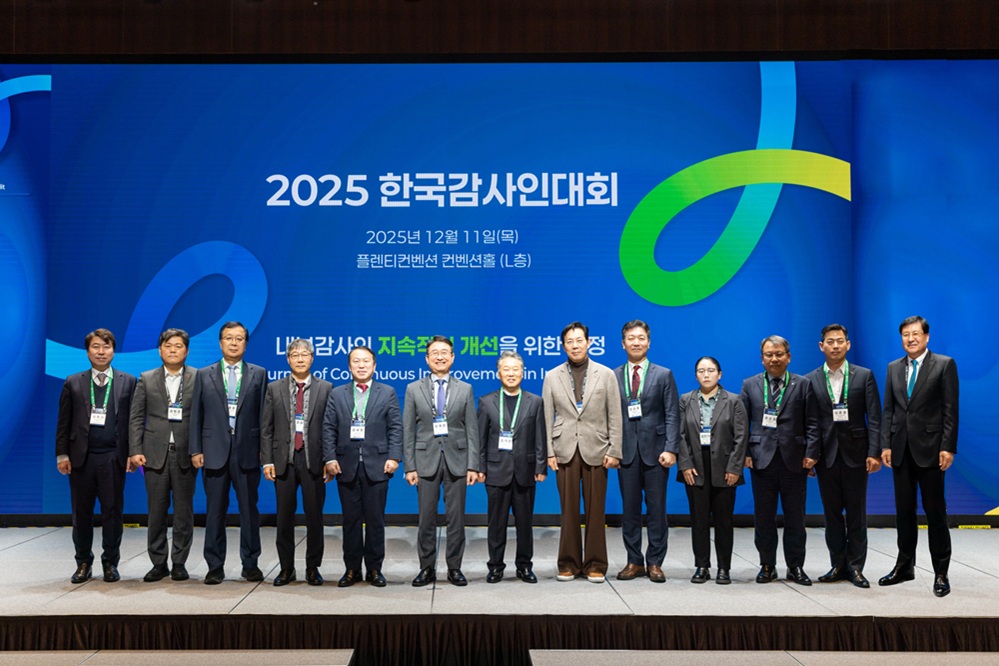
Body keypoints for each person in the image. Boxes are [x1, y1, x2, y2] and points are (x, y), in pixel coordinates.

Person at [879, 315, 959, 597]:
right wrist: (885, 444)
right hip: (900, 450)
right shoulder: (893, 368)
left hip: (932, 450)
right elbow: (889, 410)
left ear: (926, 337)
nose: (910, 339)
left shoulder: (944, 364)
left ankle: (941, 572)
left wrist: (947, 446)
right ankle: (904, 566)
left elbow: (950, 409)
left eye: (915, 334)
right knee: (904, 512)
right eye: (905, 335)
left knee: (935, 512)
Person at [542, 322, 622, 583]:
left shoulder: (606, 374)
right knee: (568, 510)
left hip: (597, 447)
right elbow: (547, 417)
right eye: (569, 341)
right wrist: (549, 452)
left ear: (589, 343)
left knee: (596, 511)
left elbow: (615, 415)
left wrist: (615, 449)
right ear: (563, 346)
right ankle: (568, 563)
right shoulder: (552, 376)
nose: (575, 345)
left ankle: (596, 563)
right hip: (564, 448)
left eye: (579, 340)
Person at [190, 321, 268, 585]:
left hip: (248, 451)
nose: (234, 343)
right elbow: (196, 416)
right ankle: (214, 566)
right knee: (214, 512)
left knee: (249, 511)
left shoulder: (259, 373)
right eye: (228, 338)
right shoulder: (204, 374)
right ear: (220, 342)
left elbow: (264, 417)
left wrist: (264, 452)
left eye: (239, 338)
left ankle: (251, 564)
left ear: (246, 343)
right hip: (213, 451)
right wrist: (196, 449)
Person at [55, 328, 136, 583]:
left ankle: (110, 563)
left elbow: (134, 422)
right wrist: (62, 454)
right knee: (81, 513)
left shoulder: (128, 381)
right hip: (82, 458)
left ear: (114, 350)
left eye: (106, 347)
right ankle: (83, 563)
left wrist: (134, 452)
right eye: (96, 347)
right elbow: (63, 422)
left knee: (113, 512)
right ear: (87, 351)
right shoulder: (73, 381)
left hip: (113, 457)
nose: (101, 352)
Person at [805, 324, 882, 589]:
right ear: (821, 346)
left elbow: (874, 417)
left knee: (857, 514)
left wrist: (874, 452)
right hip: (825, 456)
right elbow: (809, 422)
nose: (835, 345)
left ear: (848, 344)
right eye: (830, 341)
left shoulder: (864, 376)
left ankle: (856, 567)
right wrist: (810, 455)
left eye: (840, 341)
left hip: (857, 455)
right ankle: (837, 564)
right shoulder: (810, 379)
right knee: (832, 515)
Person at [740, 335, 820, 586]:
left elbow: (813, 422)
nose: (774, 359)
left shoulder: (803, 384)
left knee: (796, 517)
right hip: (760, 460)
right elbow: (742, 424)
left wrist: (811, 453)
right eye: (769, 355)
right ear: (762, 358)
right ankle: (767, 565)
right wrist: (745, 453)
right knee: (763, 517)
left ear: (788, 357)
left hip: (794, 461)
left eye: (779, 354)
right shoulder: (750, 384)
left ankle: (795, 566)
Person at [403, 336, 481, 587]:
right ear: (427, 359)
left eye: (445, 352)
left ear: (453, 357)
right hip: (425, 460)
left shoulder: (465, 388)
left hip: (457, 459)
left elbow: (472, 430)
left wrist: (473, 465)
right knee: (426, 518)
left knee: (456, 519)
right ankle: (426, 568)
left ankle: (454, 568)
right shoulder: (413, 388)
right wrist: (409, 466)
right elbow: (408, 430)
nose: (440, 357)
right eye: (434, 353)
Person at [323, 345, 403, 588]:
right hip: (345, 466)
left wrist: (394, 457)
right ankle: (352, 569)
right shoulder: (337, 393)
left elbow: (395, 427)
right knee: (350, 521)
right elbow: (328, 428)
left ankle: (375, 569)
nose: (361, 365)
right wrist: (329, 458)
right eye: (356, 361)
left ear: (374, 365)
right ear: (349, 366)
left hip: (378, 466)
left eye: (366, 361)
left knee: (376, 521)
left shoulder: (387, 392)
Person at [127, 328, 198, 583]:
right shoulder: (146, 378)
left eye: (178, 346)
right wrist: (135, 450)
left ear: (186, 351)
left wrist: (198, 449)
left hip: (186, 454)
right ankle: (158, 563)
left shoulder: (197, 377)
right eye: (168, 346)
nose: (173, 350)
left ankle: (179, 562)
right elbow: (136, 417)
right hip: (153, 454)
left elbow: (202, 418)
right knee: (156, 512)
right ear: (160, 350)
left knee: (183, 512)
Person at [261, 338, 333, 586]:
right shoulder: (274, 388)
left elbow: (330, 428)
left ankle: (313, 568)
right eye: (295, 355)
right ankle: (286, 568)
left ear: (312, 358)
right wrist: (267, 461)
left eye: (305, 355)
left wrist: (329, 459)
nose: (300, 359)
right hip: (284, 460)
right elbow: (266, 428)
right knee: (284, 519)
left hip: (315, 461)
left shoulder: (326, 388)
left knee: (315, 518)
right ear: (288, 359)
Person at [613, 320, 680, 583]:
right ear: (623, 344)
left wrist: (671, 449)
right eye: (631, 338)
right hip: (626, 453)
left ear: (649, 343)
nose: (636, 342)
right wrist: (613, 449)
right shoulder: (613, 375)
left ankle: (655, 562)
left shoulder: (663, 374)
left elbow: (672, 414)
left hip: (657, 453)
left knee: (656, 510)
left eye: (641, 338)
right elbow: (610, 417)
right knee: (629, 511)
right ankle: (633, 561)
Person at [477, 351, 547, 584]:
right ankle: (495, 566)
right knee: (496, 524)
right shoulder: (486, 402)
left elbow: (540, 437)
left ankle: (524, 566)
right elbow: (480, 440)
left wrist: (541, 467)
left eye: (515, 369)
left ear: (522, 373)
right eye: (506, 369)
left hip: (525, 471)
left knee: (525, 524)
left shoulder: (535, 401)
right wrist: (480, 468)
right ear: (498, 373)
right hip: (496, 471)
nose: (511, 373)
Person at [676, 356, 748, 585]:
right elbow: (680, 435)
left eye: (710, 370)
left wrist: (735, 468)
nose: (706, 375)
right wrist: (685, 464)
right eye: (701, 371)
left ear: (720, 374)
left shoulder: (734, 401)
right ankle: (702, 566)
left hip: (725, 468)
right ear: (695, 375)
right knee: (698, 520)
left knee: (724, 521)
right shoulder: (685, 400)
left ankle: (724, 568)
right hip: (695, 467)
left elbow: (741, 437)